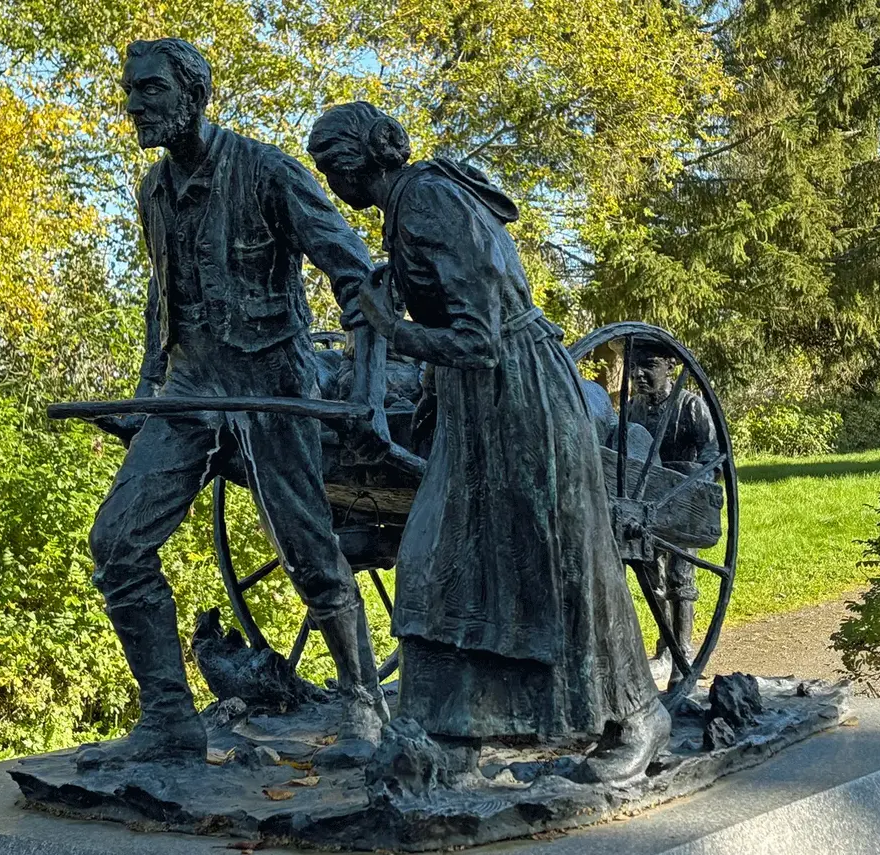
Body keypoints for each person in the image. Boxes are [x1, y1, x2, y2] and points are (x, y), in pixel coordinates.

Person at [307, 102, 670, 783]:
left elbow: (479, 337)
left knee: (556, 561)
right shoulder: (416, 201)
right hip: (482, 404)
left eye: (331, 167)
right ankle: (454, 730)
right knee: (459, 563)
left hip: (519, 399)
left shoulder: (427, 202)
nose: (331, 183)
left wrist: (391, 326)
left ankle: (639, 716)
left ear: (359, 159)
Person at [81, 40, 391, 769]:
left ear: (194, 93)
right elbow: (164, 303)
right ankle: (166, 718)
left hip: (270, 387)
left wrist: (370, 387)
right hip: (189, 394)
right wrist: (144, 396)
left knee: (311, 553)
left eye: (150, 90)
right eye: (130, 92)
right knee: (117, 546)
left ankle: (363, 700)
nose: (135, 106)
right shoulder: (153, 191)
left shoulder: (269, 172)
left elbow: (355, 277)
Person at [629, 341, 720, 682]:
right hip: (645, 504)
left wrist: (698, 483)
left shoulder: (690, 406)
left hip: (683, 501)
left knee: (681, 578)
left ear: (669, 366)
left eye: (648, 365)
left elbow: (713, 451)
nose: (638, 374)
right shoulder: (632, 409)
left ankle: (682, 651)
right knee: (652, 578)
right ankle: (665, 645)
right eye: (634, 367)